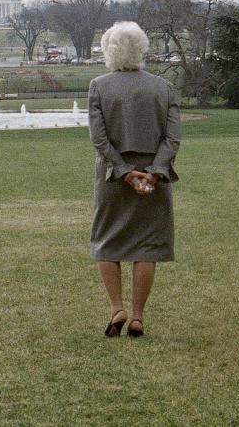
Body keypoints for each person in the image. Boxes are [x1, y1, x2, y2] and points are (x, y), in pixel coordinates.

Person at [87, 21, 180, 338]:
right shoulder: (163, 87)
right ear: (142, 48)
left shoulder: (98, 86)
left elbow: (99, 141)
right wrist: (153, 173)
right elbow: (172, 139)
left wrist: (126, 174)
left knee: (107, 242)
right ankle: (138, 316)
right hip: (153, 180)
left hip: (114, 177)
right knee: (146, 246)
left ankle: (117, 308)